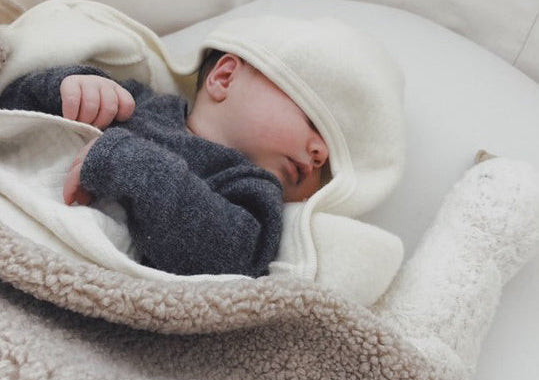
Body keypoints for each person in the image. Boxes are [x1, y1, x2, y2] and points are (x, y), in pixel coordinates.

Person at [0, 49, 330, 278]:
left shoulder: (250, 190)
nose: (321, 154)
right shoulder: (133, 103)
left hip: (68, 273)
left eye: (330, 159)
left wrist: (133, 163)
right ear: (225, 77)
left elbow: (232, 262)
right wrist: (70, 86)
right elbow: (14, 111)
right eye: (313, 120)